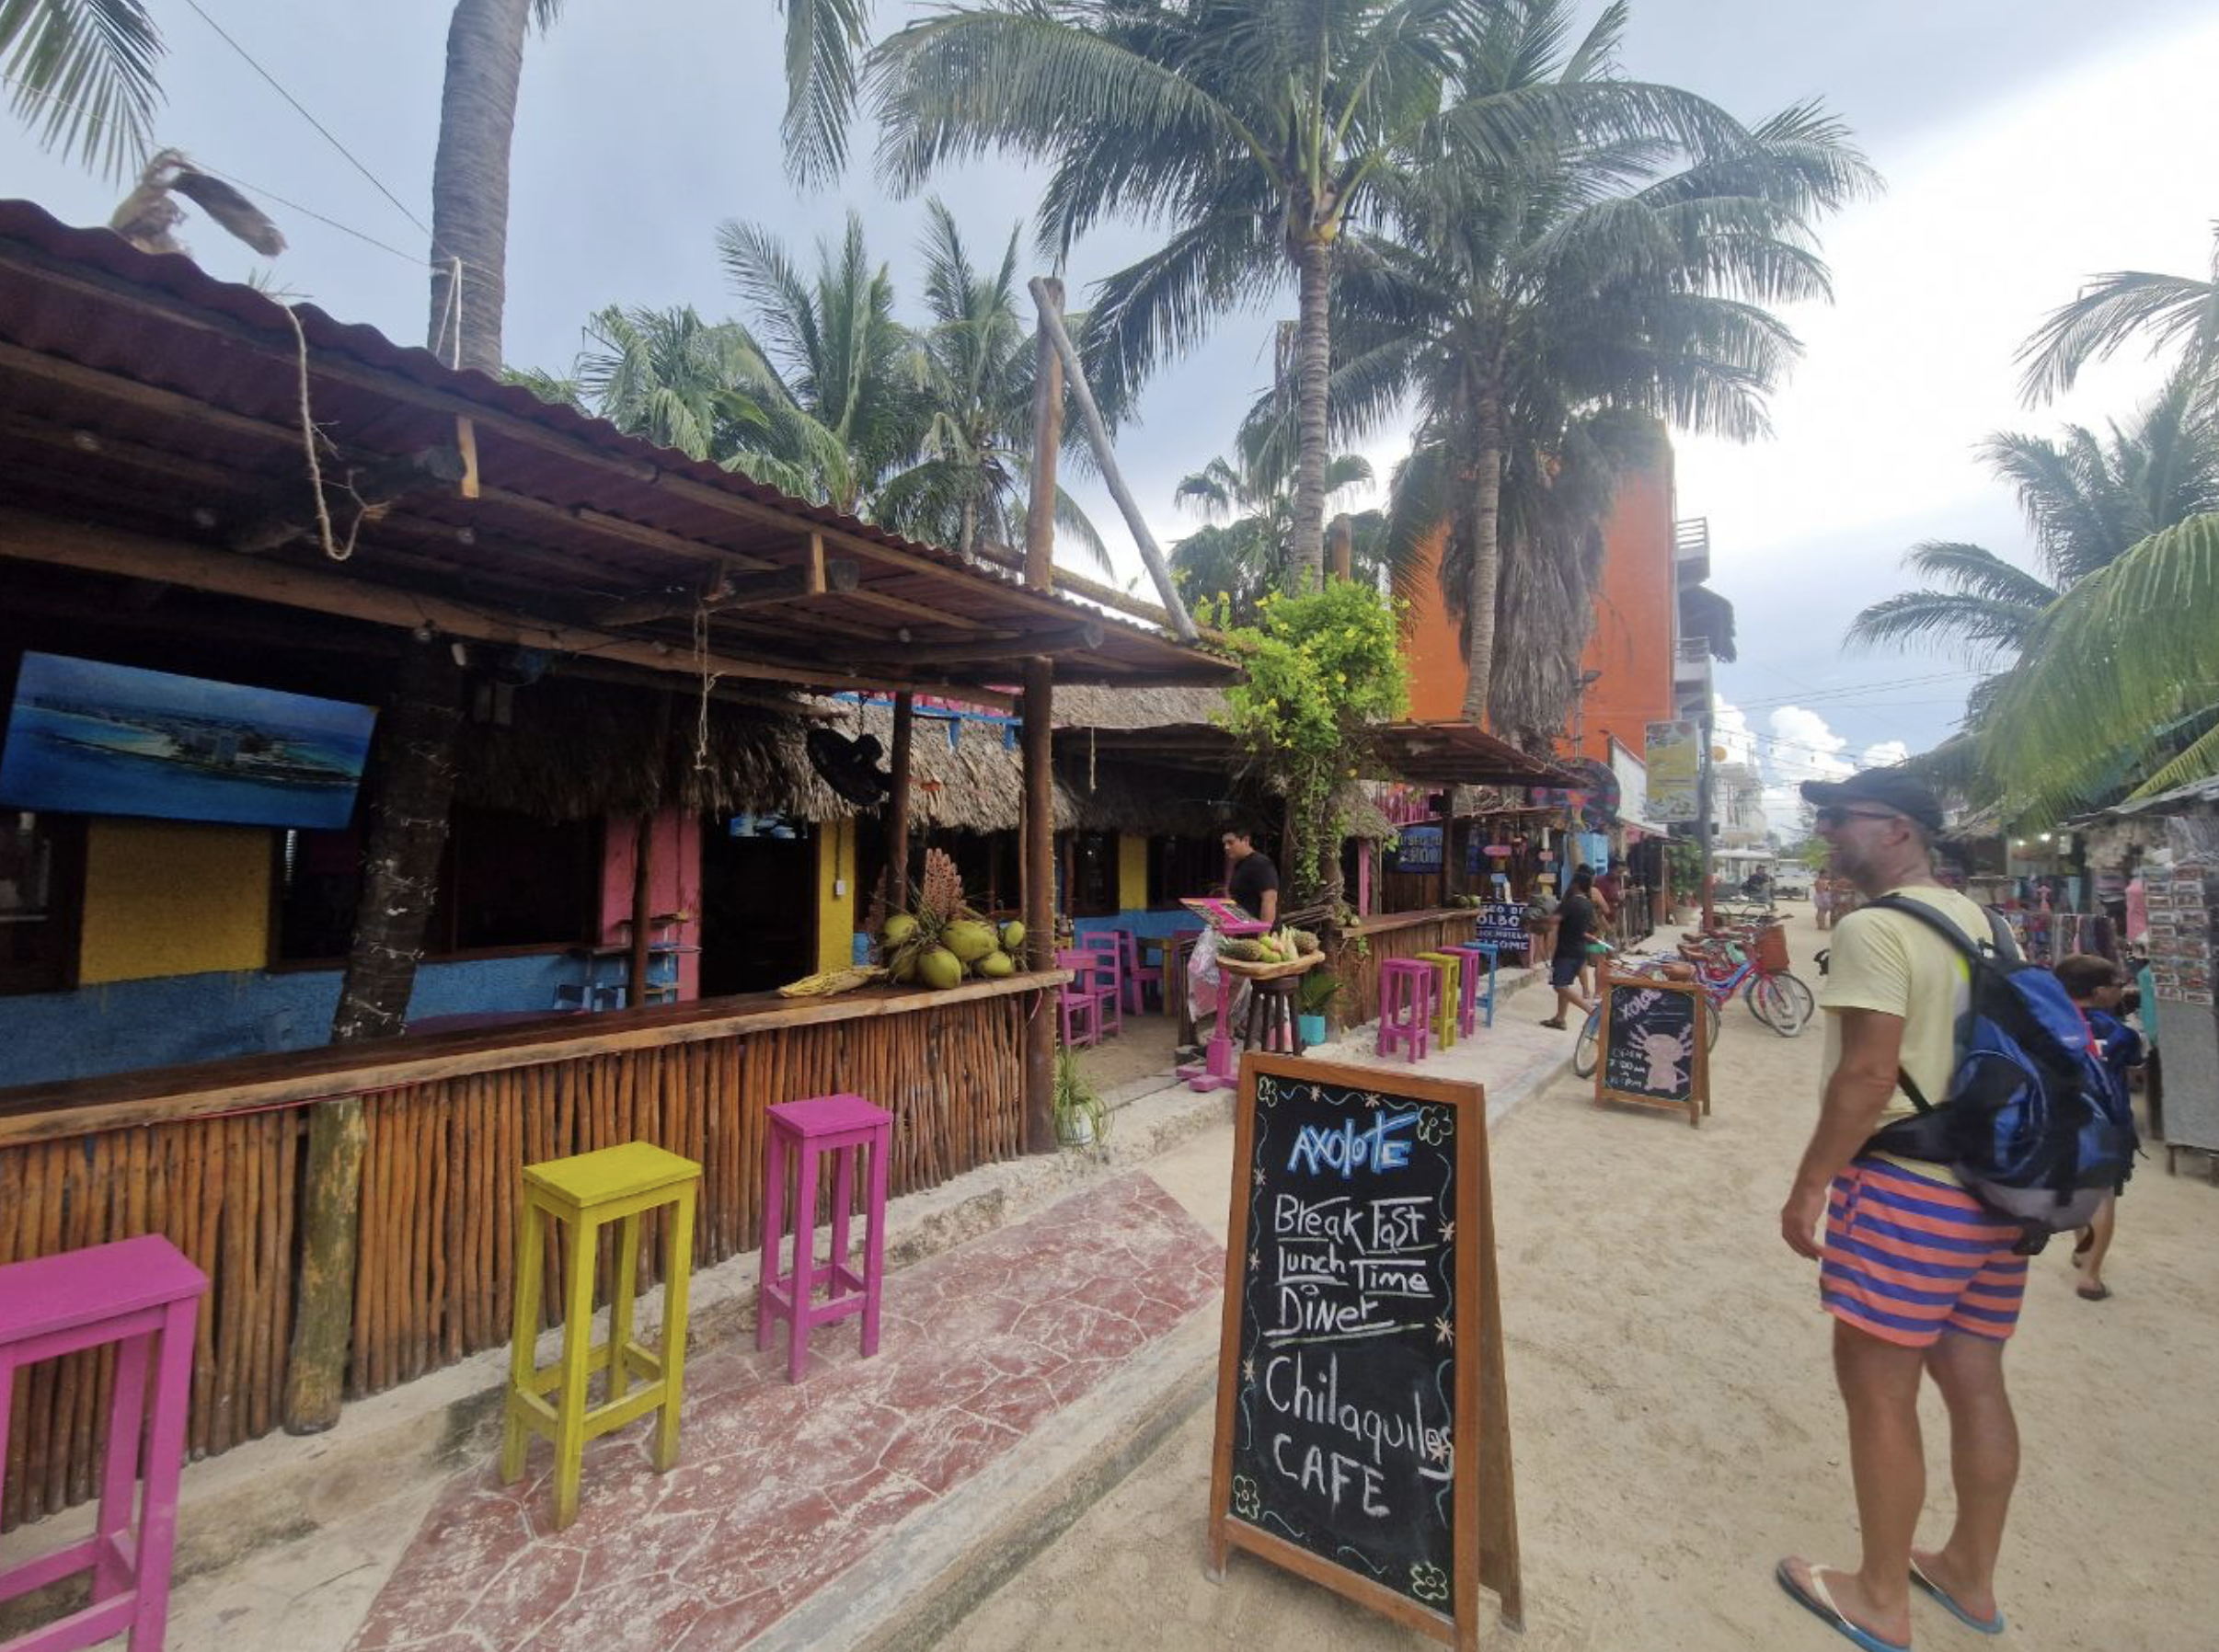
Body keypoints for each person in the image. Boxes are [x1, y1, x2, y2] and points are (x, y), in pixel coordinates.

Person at [1776, 769, 2020, 1652]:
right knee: (1976, 1378)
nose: (1828, 832)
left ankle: (1880, 1595)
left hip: (1910, 1189)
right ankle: (1969, 1573)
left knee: (1879, 1389)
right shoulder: (1989, 925)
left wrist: (1811, 1185)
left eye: (1841, 817)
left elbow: (1869, 1074)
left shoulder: (1875, 928)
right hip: (1996, 1189)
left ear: (1899, 830)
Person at [2052, 953, 2143, 1302]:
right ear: (2100, 992)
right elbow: (2133, 1060)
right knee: (2102, 1195)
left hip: (2062, 1120)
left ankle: (2082, 1251)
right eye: (2118, 984)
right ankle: (2090, 1276)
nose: (2122, 990)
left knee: (2078, 1189)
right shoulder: (2119, 1033)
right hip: (2108, 1122)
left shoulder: (2048, 1024)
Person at [1539, 867, 1598, 1030]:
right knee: (1564, 984)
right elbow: (1583, 929)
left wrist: (1537, 920)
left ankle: (1590, 1010)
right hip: (1580, 950)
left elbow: (1553, 920)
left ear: (1576, 884)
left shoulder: (1571, 903)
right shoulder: (1588, 904)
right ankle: (1560, 1018)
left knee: (1559, 986)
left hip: (1566, 951)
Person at [1222, 824, 1279, 928]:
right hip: (1245, 930)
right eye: (1224, 843)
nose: (1226, 847)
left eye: (1230, 842)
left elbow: (1269, 900)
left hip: (1260, 933)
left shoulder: (1260, 863)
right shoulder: (1240, 864)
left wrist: (1263, 934)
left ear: (1246, 840)